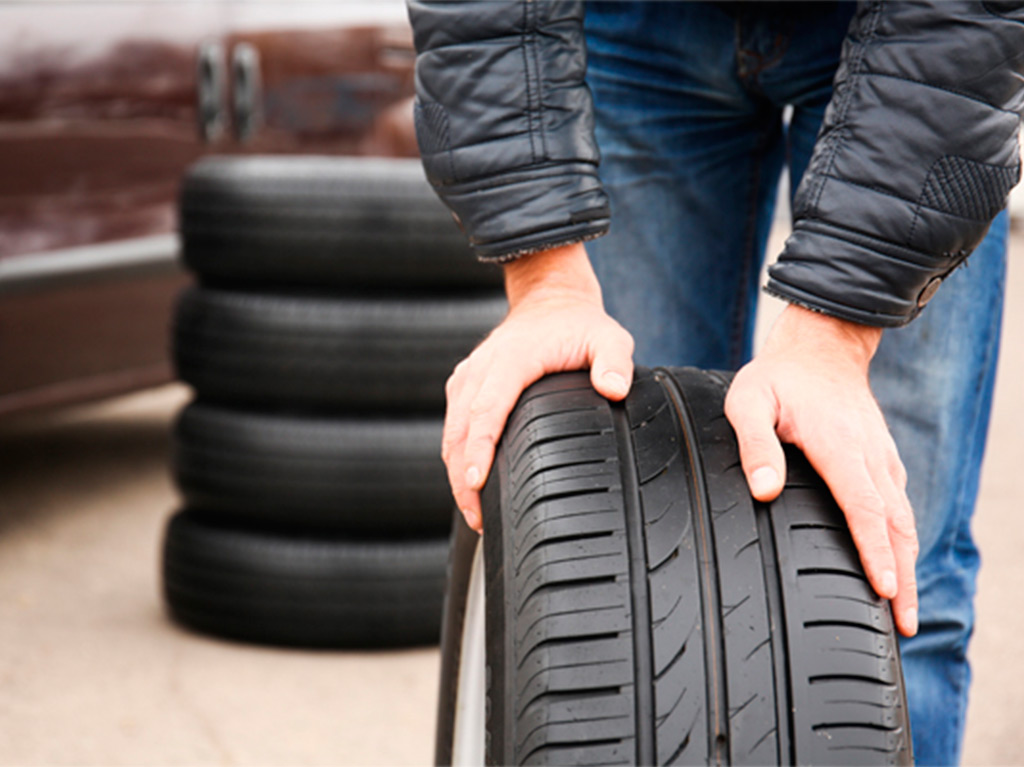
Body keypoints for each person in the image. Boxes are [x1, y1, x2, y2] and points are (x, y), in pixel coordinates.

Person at [407, 2, 1023, 764]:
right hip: (636, 29)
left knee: (890, 578)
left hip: (920, 47)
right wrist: (546, 277)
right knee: (618, 560)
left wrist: (835, 337)